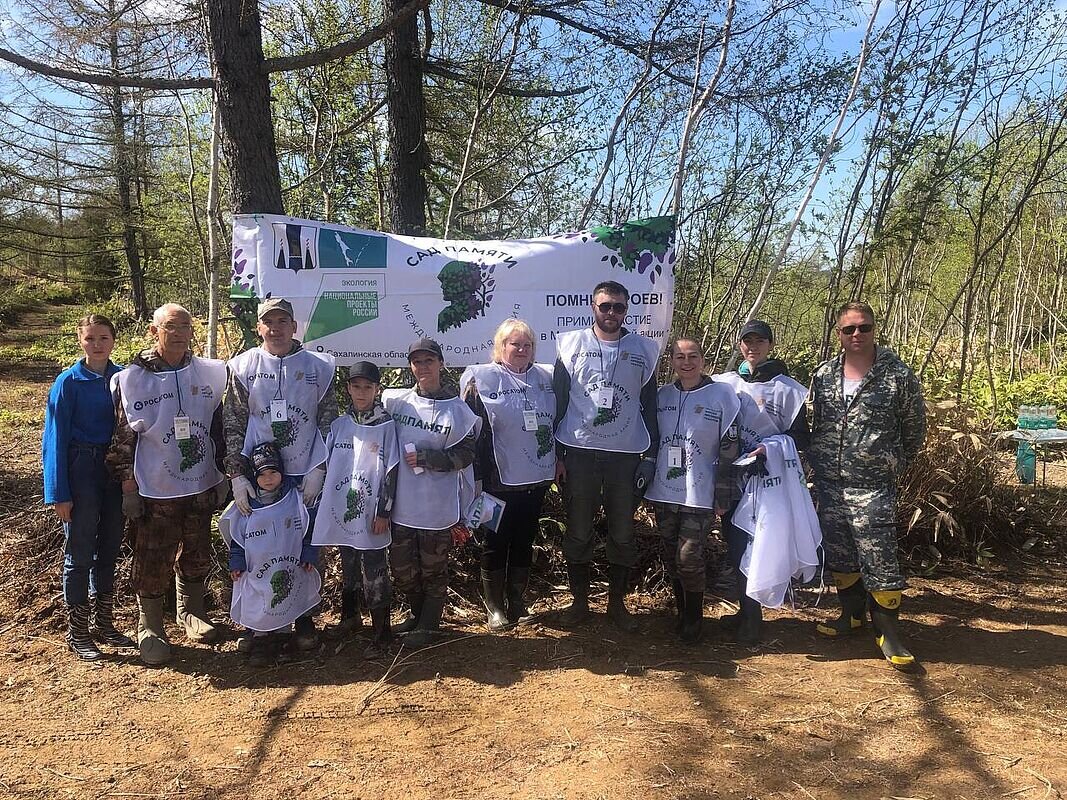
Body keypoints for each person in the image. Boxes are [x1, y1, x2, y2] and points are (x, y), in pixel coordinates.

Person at [106, 303, 228, 666]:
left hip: (200, 482)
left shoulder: (209, 373)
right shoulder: (132, 379)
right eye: (170, 326)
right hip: (155, 487)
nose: (178, 333)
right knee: (153, 553)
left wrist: (223, 473)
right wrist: (128, 486)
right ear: (153, 330)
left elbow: (219, 427)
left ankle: (191, 611)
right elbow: (122, 437)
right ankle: (150, 624)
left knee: (197, 548)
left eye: (185, 326)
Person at [809, 302, 926, 670]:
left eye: (864, 328)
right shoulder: (824, 375)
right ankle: (851, 617)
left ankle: (889, 632)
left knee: (880, 557)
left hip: (873, 485)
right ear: (838, 334)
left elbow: (914, 430)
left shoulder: (897, 375)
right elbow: (816, 424)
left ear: (875, 329)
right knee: (841, 552)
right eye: (849, 330)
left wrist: (890, 463)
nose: (857, 335)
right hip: (829, 482)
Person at [224, 298, 337, 651]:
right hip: (262, 476)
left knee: (299, 547)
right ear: (259, 327)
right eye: (268, 322)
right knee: (259, 548)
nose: (275, 328)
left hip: (304, 474)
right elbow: (233, 422)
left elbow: (328, 420)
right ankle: (259, 622)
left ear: (294, 326)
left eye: (282, 321)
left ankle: (303, 618)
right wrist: (236, 476)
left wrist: (321, 468)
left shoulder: (319, 366)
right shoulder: (243, 366)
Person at [553, 280, 660, 631]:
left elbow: (650, 406)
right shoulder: (570, 344)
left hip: (625, 456)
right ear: (592, 306)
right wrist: (558, 455)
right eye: (605, 306)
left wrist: (650, 456)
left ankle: (617, 606)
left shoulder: (645, 348)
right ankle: (579, 604)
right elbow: (559, 400)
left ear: (626, 309)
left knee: (623, 533)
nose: (611, 312)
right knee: (579, 531)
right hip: (580, 453)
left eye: (618, 307)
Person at [42, 314, 135, 660]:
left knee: (110, 545)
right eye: (90, 338)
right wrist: (58, 492)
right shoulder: (69, 382)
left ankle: (104, 622)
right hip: (81, 467)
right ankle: (77, 630)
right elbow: (54, 439)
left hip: (114, 468)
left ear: (114, 340)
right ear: (80, 340)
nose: (97, 345)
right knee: (80, 549)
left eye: (104, 338)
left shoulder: (124, 378)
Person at [712, 320, 810, 644]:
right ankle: (745, 611)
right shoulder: (725, 383)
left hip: (769, 479)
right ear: (739, 344)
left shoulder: (790, 390)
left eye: (760, 341)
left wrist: (770, 447)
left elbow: (800, 439)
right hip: (734, 478)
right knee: (736, 543)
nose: (752, 347)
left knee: (760, 545)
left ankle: (754, 620)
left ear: (770, 345)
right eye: (747, 341)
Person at [383, 338, 481, 647]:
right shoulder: (396, 403)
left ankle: (429, 624)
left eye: (429, 361)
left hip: (438, 506)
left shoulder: (458, 410)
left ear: (440, 363)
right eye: (417, 362)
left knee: (433, 569)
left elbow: (467, 454)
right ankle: (416, 614)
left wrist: (431, 459)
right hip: (402, 503)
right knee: (401, 569)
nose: (423, 367)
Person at [460, 320, 555, 631]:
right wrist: (474, 480)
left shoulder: (544, 379)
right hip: (494, 480)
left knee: (524, 539)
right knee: (493, 541)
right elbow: (471, 435)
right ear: (500, 348)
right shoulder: (482, 380)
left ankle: (517, 600)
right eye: (515, 344)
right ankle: (495, 607)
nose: (522, 350)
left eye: (527, 345)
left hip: (534, 478)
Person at [645, 338, 741, 643]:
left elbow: (730, 449)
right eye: (679, 357)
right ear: (671, 361)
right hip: (664, 491)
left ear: (703, 359)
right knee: (672, 555)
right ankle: (682, 610)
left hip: (699, 493)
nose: (686, 362)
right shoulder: (662, 396)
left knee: (689, 557)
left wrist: (723, 494)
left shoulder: (722, 395)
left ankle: (694, 618)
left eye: (693, 356)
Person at [316, 362, 399, 657]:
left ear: (377, 389)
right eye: (356, 386)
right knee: (348, 564)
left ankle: (382, 632)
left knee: (374, 568)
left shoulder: (387, 426)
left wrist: (383, 512)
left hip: (372, 514)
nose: (361, 392)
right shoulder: (339, 425)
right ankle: (350, 617)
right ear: (348, 388)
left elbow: (391, 471)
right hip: (343, 512)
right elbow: (328, 466)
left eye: (368, 387)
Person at [226, 441, 320, 667]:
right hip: (257, 567)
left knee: (285, 595)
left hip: (287, 564)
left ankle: (284, 639)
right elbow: (238, 538)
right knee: (259, 599)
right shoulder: (247, 504)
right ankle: (259, 639)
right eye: (262, 474)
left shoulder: (295, 499)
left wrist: (308, 554)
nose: (268, 479)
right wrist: (236, 562)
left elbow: (308, 528)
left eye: (273, 472)